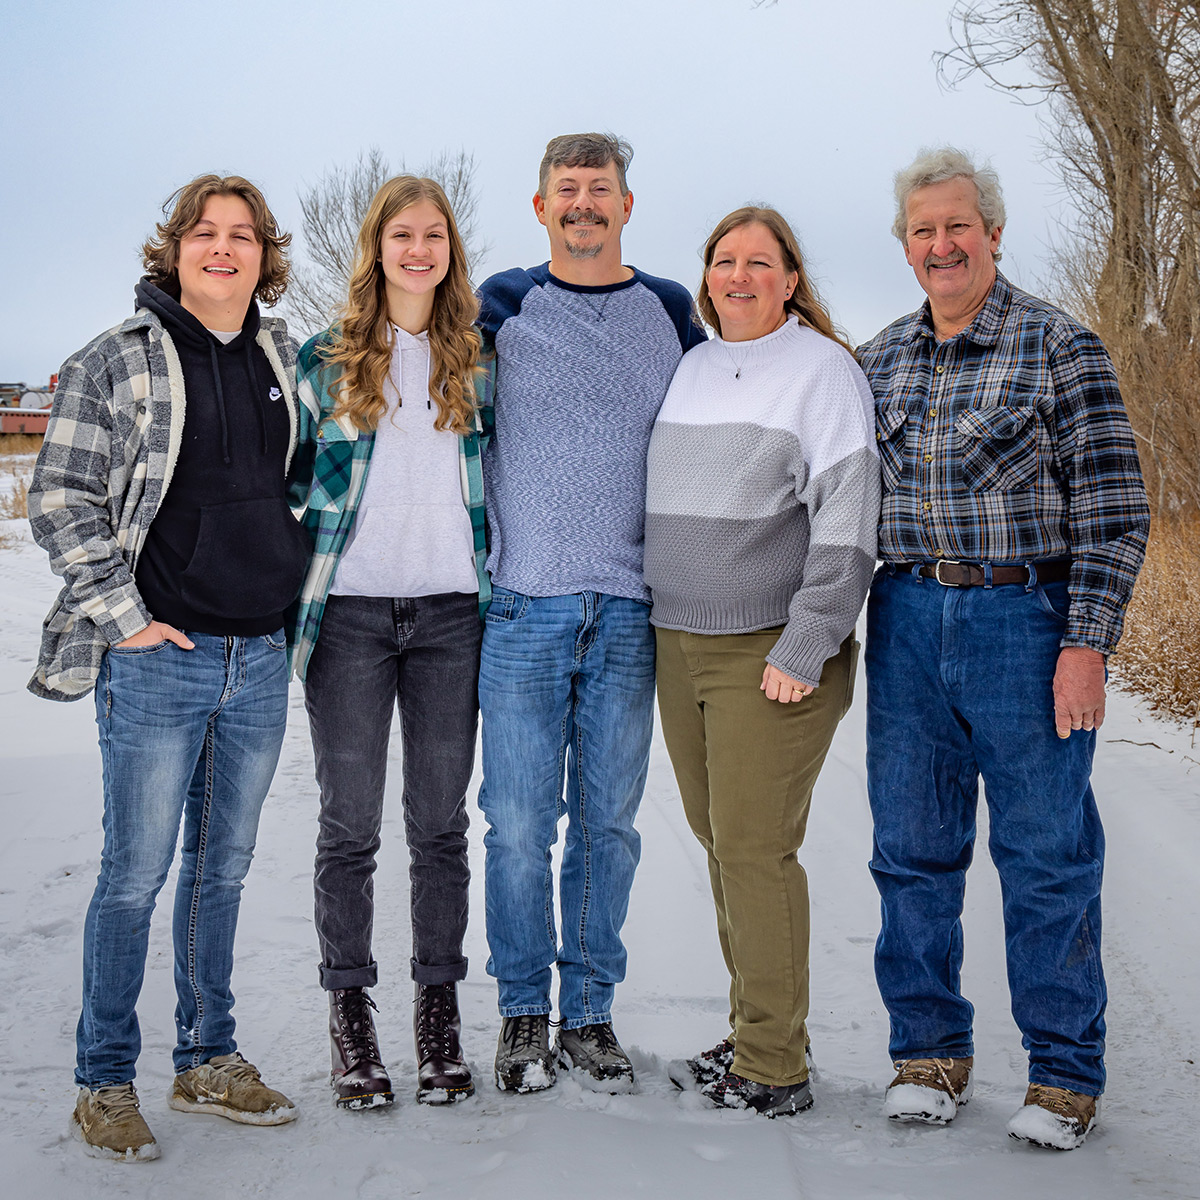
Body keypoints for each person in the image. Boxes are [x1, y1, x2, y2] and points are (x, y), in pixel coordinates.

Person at [857, 147, 1150, 1150]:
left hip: (1023, 625)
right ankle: (928, 1052)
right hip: (901, 624)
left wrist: (1087, 644)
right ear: (905, 246)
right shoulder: (878, 360)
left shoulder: (1060, 348)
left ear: (991, 231)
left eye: (958, 226)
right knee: (912, 853)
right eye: (924, 231)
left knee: (1048, 857)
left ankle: (1065, 1073)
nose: (942, 246)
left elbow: (1115, 516)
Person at [28, 175, 307, 1161]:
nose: (222, 249)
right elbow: (60, 500)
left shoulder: (283, 358)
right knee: (134, 875)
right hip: (161, 660)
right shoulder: (116, 358)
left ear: (265, 255)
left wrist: (291, 601)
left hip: (260, 655)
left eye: (242, 236)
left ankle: (207, 1061)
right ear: (175, 249)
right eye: (204, 233)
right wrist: (128, 618)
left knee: (220, 873)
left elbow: (301, 490)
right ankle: (104, 1080)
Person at [476, 132, 706, 1093]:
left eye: (599, 189)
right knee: (519, 825)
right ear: (540, 208)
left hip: (627, 611)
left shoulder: (668, 310)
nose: (583, 203)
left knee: (608, 826)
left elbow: (727, 410)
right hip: (523, 606)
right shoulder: (501, 303)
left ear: (625, 204)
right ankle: (525, 1011)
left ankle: (592, 1014)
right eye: (565, 190)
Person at [645, 207, 879, 1117]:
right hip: (679, 645)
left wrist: (810, 637)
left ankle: (775, 1069)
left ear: (790, 279)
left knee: (754, 849)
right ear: (706, 275)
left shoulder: (823, 372)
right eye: (723, 261)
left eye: (759, 262)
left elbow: (849, 517)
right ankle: (759, 1031)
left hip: (768, 650)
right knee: (723, 844)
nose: (738, 276)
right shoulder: (693, 368)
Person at [288, 176, 489, 1109]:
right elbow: (283, 484)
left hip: (453, 615)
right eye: (401, 234)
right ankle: (351, 1016)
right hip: (354, 618)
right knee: (349, 828)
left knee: (441, 827)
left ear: (451, 249)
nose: (418, 250)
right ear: (376, 247)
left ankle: (438, 1012)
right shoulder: (324, 359)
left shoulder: (478, 358)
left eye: (434, 235)